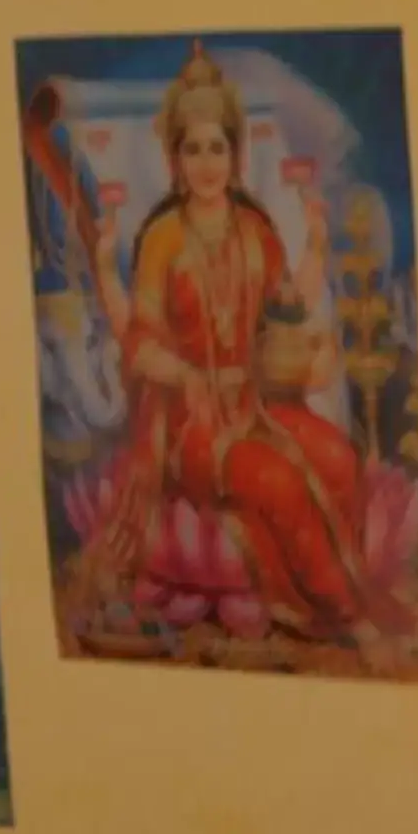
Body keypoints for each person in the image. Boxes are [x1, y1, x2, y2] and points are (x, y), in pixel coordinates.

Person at [86, 44, 377, 643]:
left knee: (340, 461)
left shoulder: (255, 229)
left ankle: (334, 599)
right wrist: (190, 378)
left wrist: (318, 246)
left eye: (217, 147)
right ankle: (342, 619)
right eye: (192, 149)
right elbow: (139, 342)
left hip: (261, 406)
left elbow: (287, 307)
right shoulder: (163, 238)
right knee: (277, 483)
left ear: (236, 153)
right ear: (175, 157)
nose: (206, 163)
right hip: (193, 424)